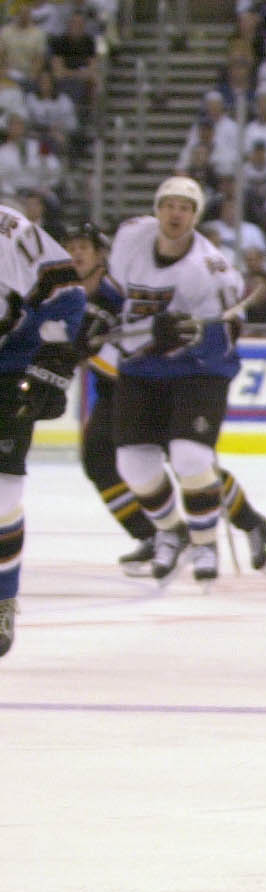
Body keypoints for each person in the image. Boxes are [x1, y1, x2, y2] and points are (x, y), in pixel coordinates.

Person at [97, 176, 266, 587]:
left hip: (199, 372)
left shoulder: (211, 269)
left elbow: (228, 337)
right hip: (140, 367)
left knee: (190, 457)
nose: (175, 213)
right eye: (169, 204)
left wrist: (193, 334)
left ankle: (204, 543)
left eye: (185, 207)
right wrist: (97, 317)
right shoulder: (130, 237)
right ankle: (170, 532)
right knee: (133, 464)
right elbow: (112, 291)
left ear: (195, 217)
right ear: (157, 208)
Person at [0, 198, 84, 655]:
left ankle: (2, 597)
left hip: (9, 371)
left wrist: (52, 361)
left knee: (2, 495)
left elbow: (67, 296)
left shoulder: (12, 231)